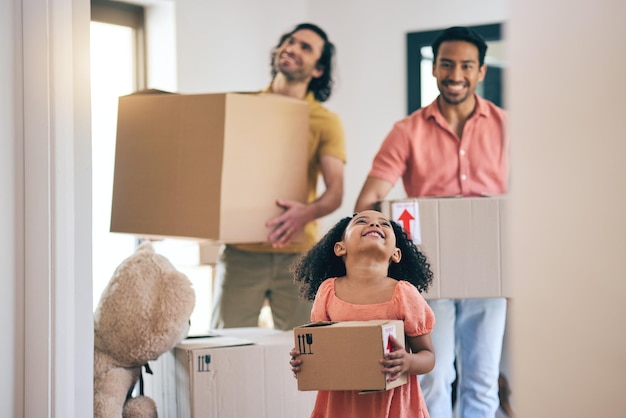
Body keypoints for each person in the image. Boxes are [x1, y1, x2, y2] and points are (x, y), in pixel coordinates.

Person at [354, 26, 508, 418]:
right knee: (433, 376)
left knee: (483, 377)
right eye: (446, 64)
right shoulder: (407, 131)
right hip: (428, 274)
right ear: (434, 68)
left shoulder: (508, 127)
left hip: (491, 272)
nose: (455, 74)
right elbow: (369, 198)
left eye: (466, 66)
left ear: (481, 72)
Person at [210, 23, 346, 330]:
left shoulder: (325, 121)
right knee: (226, 346)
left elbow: (335, 190)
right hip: (241, 251)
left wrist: (306, 214)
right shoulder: (242, 107)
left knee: (305, 350)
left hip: (299, 255)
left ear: (318, 70)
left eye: (305, 47)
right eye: (290, 41)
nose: (292, 48)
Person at [289, 210, 435, 418]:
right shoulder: (328, 292)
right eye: (362, 221)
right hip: (341, 406)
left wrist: (407, 362)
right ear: (340, 248)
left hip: (392, 406)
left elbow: (428, 357)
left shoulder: (404, 294)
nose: (375, 225)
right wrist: (305, 360)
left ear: (396, 253)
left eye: (384, 224)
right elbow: (321, 347)